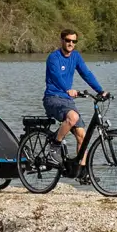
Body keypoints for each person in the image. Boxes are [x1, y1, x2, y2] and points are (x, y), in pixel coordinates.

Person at [44, 29, 105, 164]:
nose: (71, 43)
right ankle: (55, 145)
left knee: (82, 137)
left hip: (67, 100)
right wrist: (67, 89)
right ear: (62, 40)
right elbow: (57, 77)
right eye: (68, 40)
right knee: (73, 117)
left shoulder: (76, 56)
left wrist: (100, 90)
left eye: (74, 41)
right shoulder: (54, 58)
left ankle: (81, 171)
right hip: (53, 98)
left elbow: (86, 74)